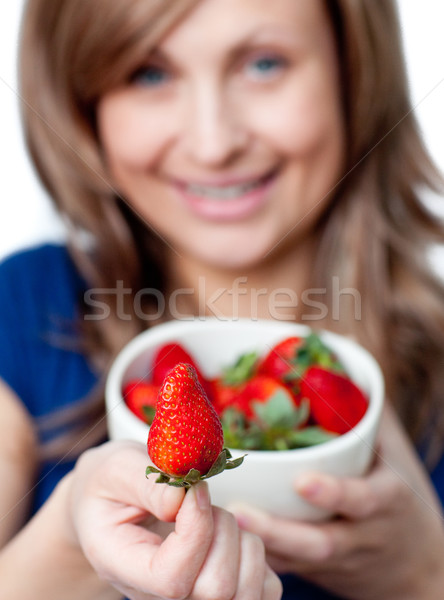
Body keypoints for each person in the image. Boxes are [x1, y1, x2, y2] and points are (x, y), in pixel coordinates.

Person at [1, 0, 444, 598]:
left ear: (353, 73)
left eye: (263, 64)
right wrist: (71, 542)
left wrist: (423, 574)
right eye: (148, 73)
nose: (214, 145)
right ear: (84, 104)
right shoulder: (22, 310)